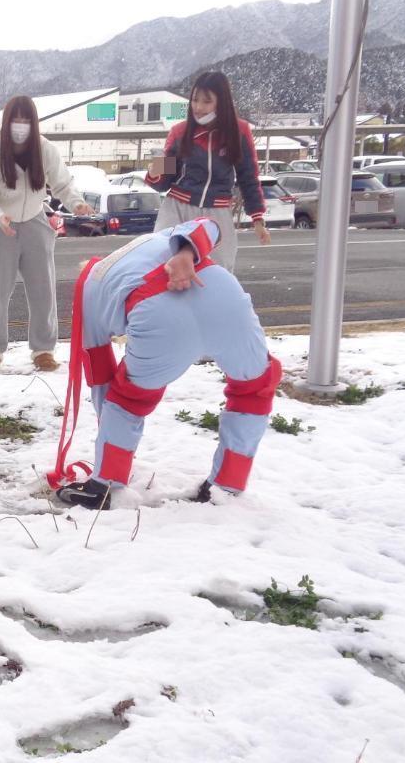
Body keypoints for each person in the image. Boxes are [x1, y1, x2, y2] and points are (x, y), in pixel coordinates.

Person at [44, 216, 281, 510]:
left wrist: (111, 436)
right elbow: (211, 225)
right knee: (254, 389)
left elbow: (101, 377)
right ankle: (228, 484)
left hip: (157, 317)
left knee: (128, 399)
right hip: (222, 294)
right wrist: (185, 253)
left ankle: (104, 486)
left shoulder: (88, 292)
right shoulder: (152, 240)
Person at [0, 95, 94, 373]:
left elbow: (62, 182)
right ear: (7, 123)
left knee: (43, 289)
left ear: (34, 123)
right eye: (16, 120)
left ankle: (43, 349)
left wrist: (76, 202)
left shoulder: (44, 149)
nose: (21, 126)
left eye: (26, 121)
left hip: (35, 222)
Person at [146, 71, 270, 271]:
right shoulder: (179, 131)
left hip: (217, 213)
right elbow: (164, 178)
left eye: (206, 101)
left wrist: (257, 218)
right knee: (163, 267)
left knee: (217, 270)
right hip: (177, 208)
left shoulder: (239, 132)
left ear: (221, 102)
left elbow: (248, 176)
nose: (198, 107)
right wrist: (154, 171)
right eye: (194, 100)